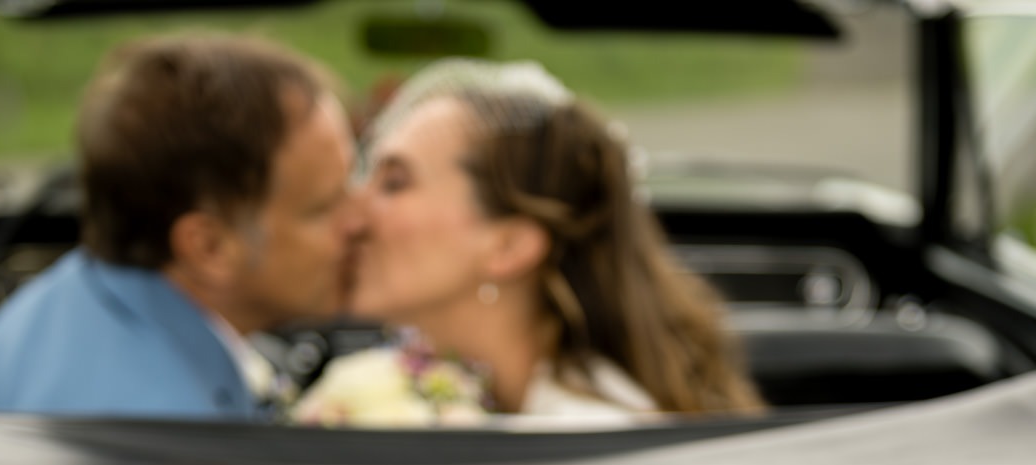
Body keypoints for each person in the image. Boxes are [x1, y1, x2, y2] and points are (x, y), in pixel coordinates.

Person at [292, 61, 761, 426]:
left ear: (509, 246)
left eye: (394, 183)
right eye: (365, 175)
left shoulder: (590, 437)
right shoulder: (415, 394)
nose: (351, 215)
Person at [0, 35, 360, 418]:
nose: (358, 221)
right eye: (323, 208)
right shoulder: (174, 436)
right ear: (209, 247)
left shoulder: (63, 305)